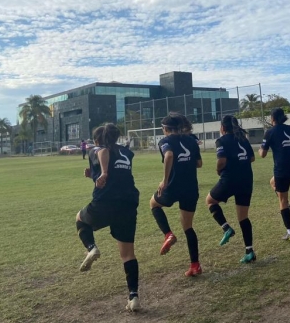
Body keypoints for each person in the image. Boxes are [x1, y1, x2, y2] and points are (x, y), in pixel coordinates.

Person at [75, 123, 141, 312]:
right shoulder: (126, 153)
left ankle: (92, 248)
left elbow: (103, 152)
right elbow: (117, 175)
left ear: (97, 140)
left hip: (105, 203)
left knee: (79, 219)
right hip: (128, 204)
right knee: (128, 253)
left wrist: (102, 172)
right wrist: (94, 175)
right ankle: (134, 297)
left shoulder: (98, 149)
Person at [150, 113, 203, 277]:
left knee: (153, 204)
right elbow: (199, 164)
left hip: (173, 187)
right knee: (188, 227)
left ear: (165, 129)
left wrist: (164, 180)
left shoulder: (165, 141)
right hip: (191, 188)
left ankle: (168, 234)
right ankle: (195, 265)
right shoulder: (191, 140)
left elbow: (169, 155)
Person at [206, 115, 257, 264]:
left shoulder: (221, 140)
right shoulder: (243, 139)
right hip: (246, 179)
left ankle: (226, 227)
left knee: (210, 200)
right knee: (243, 217)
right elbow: (252, 158)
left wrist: (218, 170)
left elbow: (221, 160)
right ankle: (249, 251)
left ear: (222, 128)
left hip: (230, 179)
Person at [259, 108, 290, 241]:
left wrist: (260, 149)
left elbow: (262, 154)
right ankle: (288, 206)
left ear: (272, 119)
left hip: (282, 170)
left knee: (282, 201)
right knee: (272, 182)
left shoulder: (269, 132)